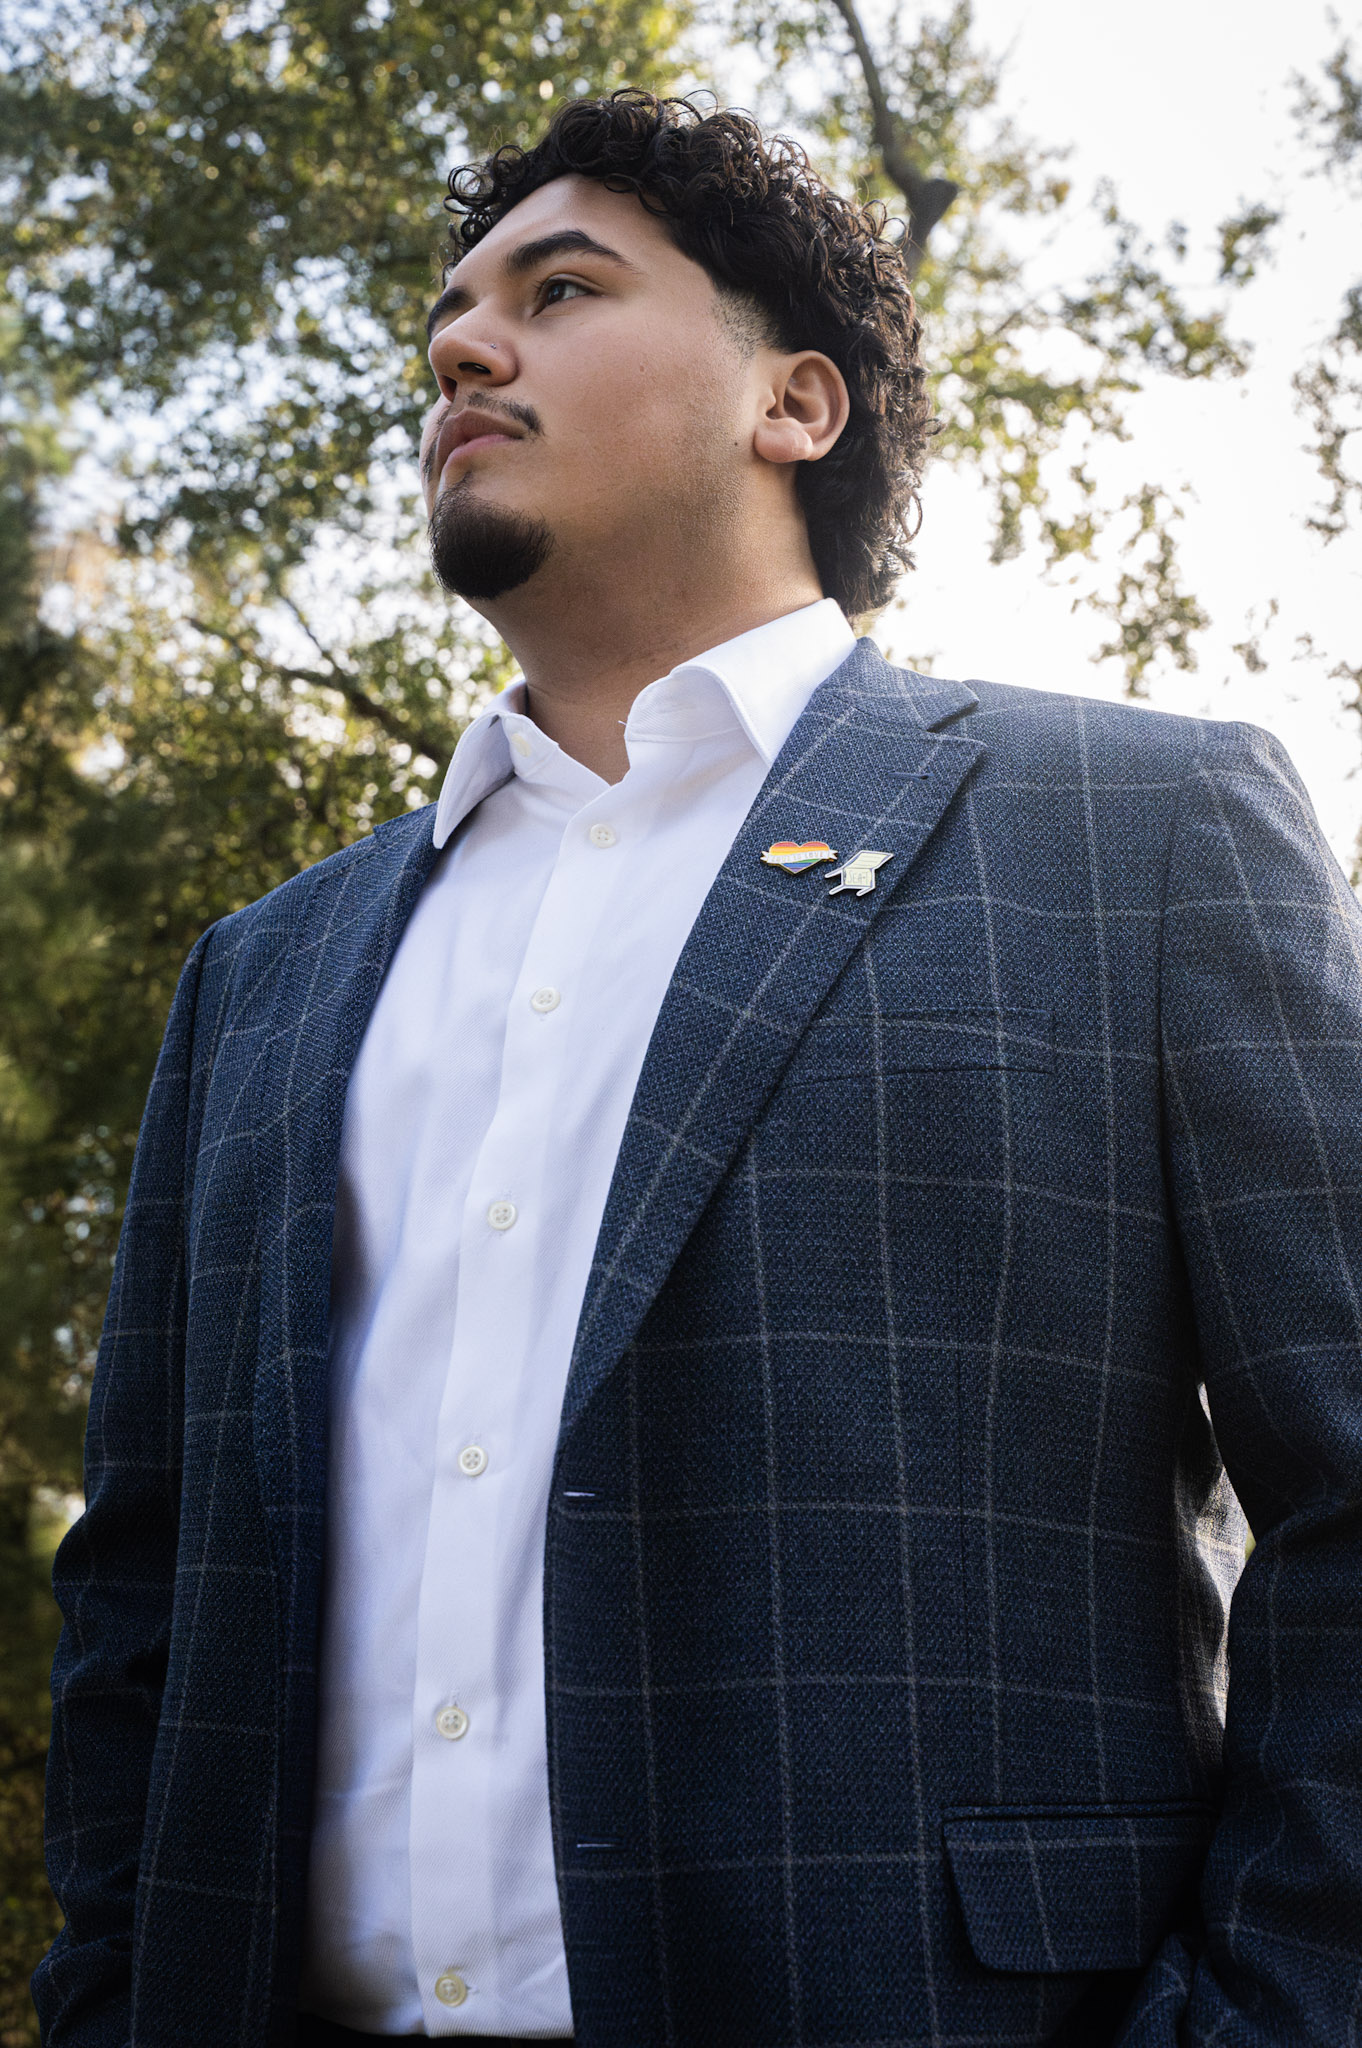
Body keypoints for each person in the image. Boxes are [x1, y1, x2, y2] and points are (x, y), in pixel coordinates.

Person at [33, 88, 1362, 2048]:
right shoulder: (263, 974)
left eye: (559, 291)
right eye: (448, 321)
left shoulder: (1141, 833)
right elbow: (139, 1587)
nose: (463, 351)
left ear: (794, 403)